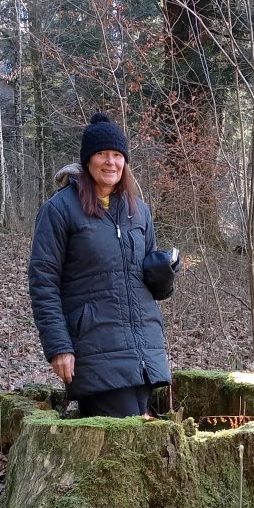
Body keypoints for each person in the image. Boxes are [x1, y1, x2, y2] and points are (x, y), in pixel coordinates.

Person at [28, 113, 178, 417]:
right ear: (87, 160)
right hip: (96, 352)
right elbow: (43, 282)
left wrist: (163, 274)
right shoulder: (59, 210)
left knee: (143, 446)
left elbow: (152, 288)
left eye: (117, 155)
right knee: (121, 449)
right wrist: (59, 346)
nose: (110, 162)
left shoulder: (140, 211)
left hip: (143, 352)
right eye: (101, 154)